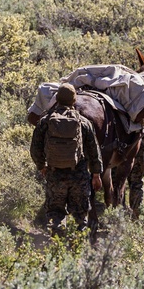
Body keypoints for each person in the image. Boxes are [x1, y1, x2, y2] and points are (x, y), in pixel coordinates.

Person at [30, 82, 103, 234]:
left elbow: (35, 149)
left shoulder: (45, 121)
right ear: (74, 100)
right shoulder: (84, 123)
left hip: (55, 174)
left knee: (55, 214)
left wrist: (42, 166)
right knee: (80, 215)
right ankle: (77, 247)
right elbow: (94, 151)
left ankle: (57, 248)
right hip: (79, 175)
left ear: (56, 99)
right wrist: (96, 174)